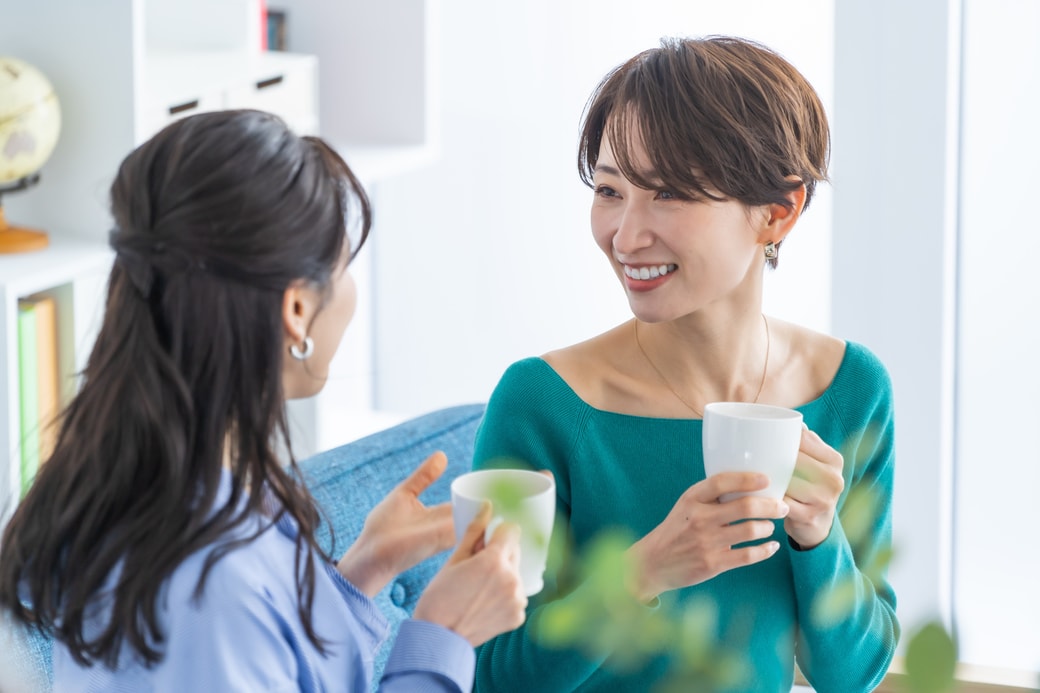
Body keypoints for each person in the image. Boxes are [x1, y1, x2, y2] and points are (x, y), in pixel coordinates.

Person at [0, 109, 527, 692]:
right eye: (343, 264)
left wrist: (359, 575)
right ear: (297, 309)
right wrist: (443, 637)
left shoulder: (169, 495)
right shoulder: (211, 577)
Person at [471, 36, 899, 692]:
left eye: (669, 193)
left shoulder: (851, 389)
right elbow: (490, 675)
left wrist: (820, 538)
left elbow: (853, 675)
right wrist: (643, 572)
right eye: (610, 190)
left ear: (777, 212)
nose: (625, 234)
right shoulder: (542, 404)